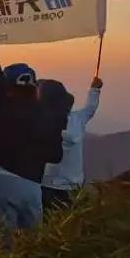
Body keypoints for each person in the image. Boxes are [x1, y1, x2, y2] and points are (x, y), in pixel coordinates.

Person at [0, 64, 67, 233]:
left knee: (4, 240)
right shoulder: (47, 116)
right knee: (32, 240)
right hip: (29, 183)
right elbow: (55, 156)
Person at [41, 77, 102, 209]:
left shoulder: (43, 121)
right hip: (71, 186)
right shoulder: (78, 119)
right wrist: (94, 90)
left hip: (45, 183)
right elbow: (90, 108)